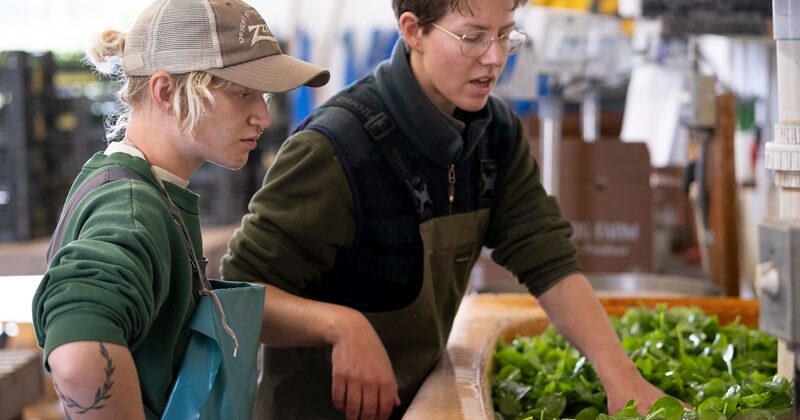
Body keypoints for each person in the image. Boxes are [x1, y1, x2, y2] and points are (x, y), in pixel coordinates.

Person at [221, 0, 668, 418]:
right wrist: (340, 325)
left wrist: (622, 378)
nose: (494, 58)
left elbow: (549, 259)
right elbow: (238, 296)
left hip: (423, 402)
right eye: (473, 37)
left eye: (506, 35)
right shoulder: (336, 149)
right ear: (413, 31)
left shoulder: (497, 136)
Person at [31, 0, 332, 418]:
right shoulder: (133, 210)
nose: (262, 115)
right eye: (243, 93)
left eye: (262, 95)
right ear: (166, 92)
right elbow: (77, 354)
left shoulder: (141, 187)